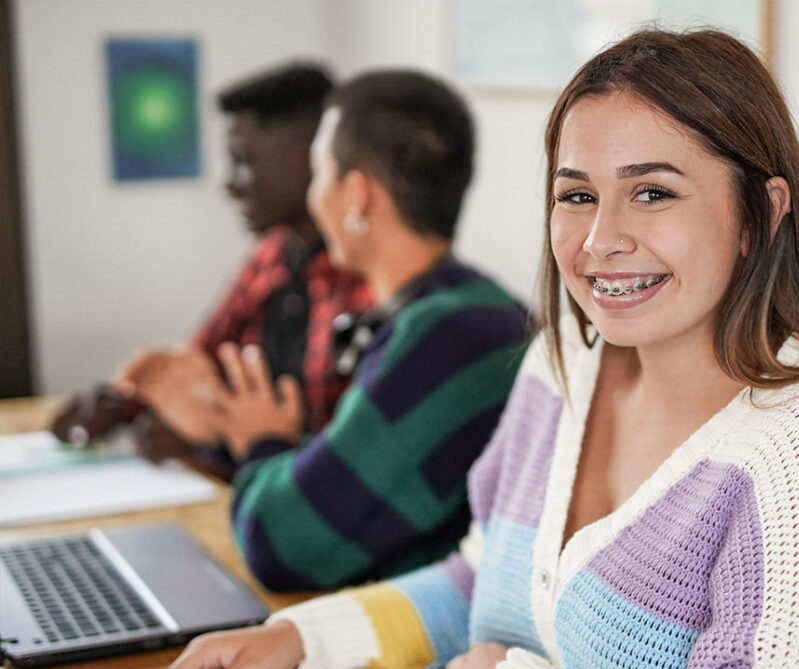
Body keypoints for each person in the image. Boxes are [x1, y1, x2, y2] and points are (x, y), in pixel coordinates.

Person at [160, 29, 799, 669]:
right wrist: (300, 639)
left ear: (760, 214)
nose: (601, 241)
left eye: (654, 193)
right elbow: (483, 579)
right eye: (576, 195)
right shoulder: (564, 360)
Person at [125, 69, 531, 593]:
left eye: (319, 174)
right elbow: (338, 478)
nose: (314, 197)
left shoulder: (448, 335)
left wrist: (261, 441)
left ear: (357, 195)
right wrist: (237, 438)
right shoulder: (457, 310)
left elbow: (281, 546)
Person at [50, 63, 371, 474]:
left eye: (244, 162)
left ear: (308, 158)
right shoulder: (274, 253)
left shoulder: (363, 282)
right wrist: (119, 403)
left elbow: (341, 458)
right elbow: (202, 357)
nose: (230, 184)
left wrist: (215, 450)